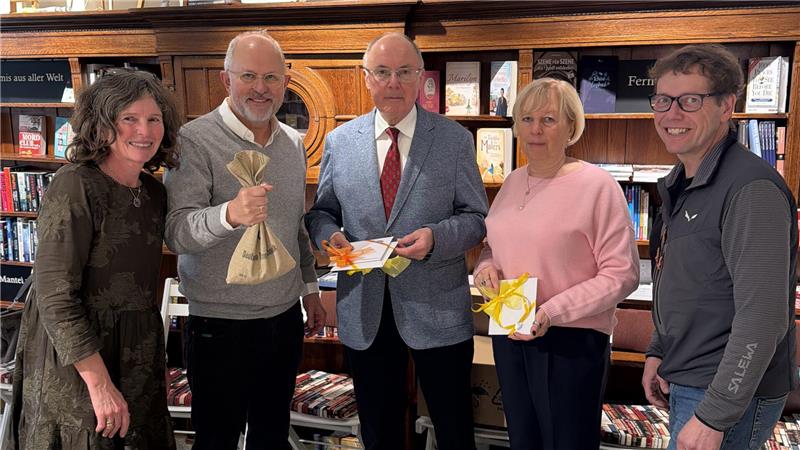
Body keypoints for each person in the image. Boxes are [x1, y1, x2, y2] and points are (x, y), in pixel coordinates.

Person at [305, 32, 488, 450]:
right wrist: (330, 236)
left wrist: (435, 238)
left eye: (405, 72)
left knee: (454, 428)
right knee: (379, 430)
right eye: (383, 72)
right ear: (366, 77)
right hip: (365, 310)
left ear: (421, 77)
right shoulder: (340, 142)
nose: (393, 83)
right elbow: (321, 212)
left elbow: (476, 219)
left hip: (438, 309)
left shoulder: (454, 140)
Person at [164, 30, 325, 450]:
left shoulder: (293, 144)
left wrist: (310, 290)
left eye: (271, 78)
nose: (260, 88)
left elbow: (294, 227)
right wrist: (228, 215)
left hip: (285, 321)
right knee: (216, 441)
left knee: (271, 439)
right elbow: (177, 231)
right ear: (226, 80)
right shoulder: (193, 141)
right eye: (248, 76)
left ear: (285, 82)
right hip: (218, 326)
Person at [10, 69, 181, 449]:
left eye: (154, 119)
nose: (145, 131)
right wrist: (99, 384)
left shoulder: (153, 192)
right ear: (102, 125)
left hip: (138, 355)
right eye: (129, 118)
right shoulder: (75, 184)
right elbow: (55, 296)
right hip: (78, 361)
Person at [642, 44, 798, 450]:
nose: (671, 114)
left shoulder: (751, 190)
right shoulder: (683, 182)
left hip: (724, 396)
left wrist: (715, 414)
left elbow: (763, 318)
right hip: (689, 378)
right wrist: (659, 349)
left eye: (690, 101)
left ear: (727, 105)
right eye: (663, 100)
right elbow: (683, 280)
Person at [473, 77, 639, 449]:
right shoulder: (512, 182)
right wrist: (485, 269)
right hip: (511, 334)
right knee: (522, 440)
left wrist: (551, 311)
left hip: (570, 342)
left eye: (548, 120)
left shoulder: (597, 187)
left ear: (570, 127)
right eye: (527, 119)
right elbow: (492, 247)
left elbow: (622, 273)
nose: (535, 129)